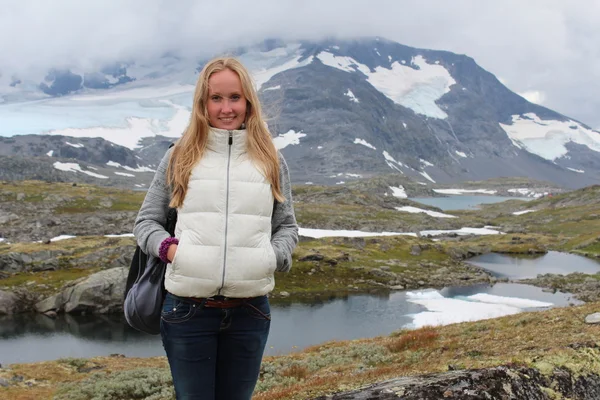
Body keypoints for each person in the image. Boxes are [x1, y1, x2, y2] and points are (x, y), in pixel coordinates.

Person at [133, 57, 299, 399]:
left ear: (248, 101)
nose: (226, 108)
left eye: (235, 97)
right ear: (202, 103)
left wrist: (272, 257)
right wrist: (173, 252)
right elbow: (146, 222)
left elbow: (287, 227)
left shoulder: (269, 158)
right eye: (216, 98)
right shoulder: (181, 155)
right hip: (186, 311)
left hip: (250, 310)